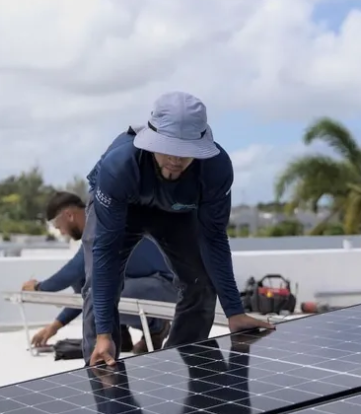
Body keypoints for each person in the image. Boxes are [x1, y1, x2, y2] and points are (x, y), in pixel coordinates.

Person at [83, 91, 273, 366]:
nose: (175, 159)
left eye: (185, 152)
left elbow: (215, 240)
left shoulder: (215, 169)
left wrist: (234, 311)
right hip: (122, 207)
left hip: (174, 210)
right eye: (168, 148)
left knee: (202, 282)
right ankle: (103, 364)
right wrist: (103, 334)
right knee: (98, 286)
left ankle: (176, 367)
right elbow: (106, 253)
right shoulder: (119, 166)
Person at [21, 191, 178, 354]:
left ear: (69, 215)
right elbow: (85, 294)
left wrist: (40, 287)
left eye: (59, 227)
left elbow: (74, 271)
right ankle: (120, 334)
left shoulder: (100, 221)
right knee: (85, 280)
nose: (61, 233)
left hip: (166, 283)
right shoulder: (94, 228)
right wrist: (54, 326)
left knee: (100, 290)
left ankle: (157, 327)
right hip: (143, 281)